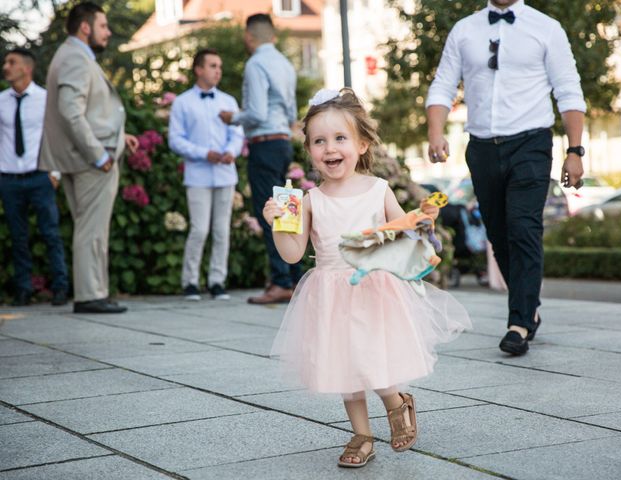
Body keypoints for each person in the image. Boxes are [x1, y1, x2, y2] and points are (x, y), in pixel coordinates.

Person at [267, 88, 471, 468]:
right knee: (345, 365)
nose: (330, 148)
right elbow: (292, 254)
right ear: (309, 149)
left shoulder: (378, 189)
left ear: (362, 144)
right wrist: (279, 224)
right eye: (319, 141)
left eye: (340, 138)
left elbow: (401, 231)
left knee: (372, 357)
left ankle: (396, 400)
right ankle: (361, 434)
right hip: (330, 292)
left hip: (374, 288)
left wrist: (421, 220)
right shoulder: (309, 200)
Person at [426, 0, 586, 355]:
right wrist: (435, 132)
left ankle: (518, 324)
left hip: (531, 142)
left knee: (523, 226)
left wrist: (575, 151)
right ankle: (529, 307)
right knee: (498, 234)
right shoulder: (465, 30)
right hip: (482, 146)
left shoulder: (547, 28)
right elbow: (442, 86)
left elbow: (569, 91)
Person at [39, 2, 139, 314]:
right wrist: (99, 155)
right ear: (85, 26)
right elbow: (70, 113)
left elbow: (86, 113)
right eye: (103, 26)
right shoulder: (75, 57)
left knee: (91, 228)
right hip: (88, 160)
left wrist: (119, 137)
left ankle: (94, 291)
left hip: (82, 156)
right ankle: (89, 294)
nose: (108, 32)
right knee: (91, 230)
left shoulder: (72, 55)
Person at [219, 13, 301, 305]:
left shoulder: (256, 64)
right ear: (273, 36)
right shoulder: (285, 63)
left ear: (249, 37)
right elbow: (291, 113)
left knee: (270, 213)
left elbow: (256, 113)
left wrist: (232, 118)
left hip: (264, 144)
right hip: (282, 143)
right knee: (288, 213)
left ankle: (280, 282)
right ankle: (294, 279)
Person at [168, 49, 244, 301]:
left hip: (225, 173)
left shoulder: (229, 101)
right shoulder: (182, 102)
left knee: (222, 230)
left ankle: (216, 281)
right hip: (198, 174)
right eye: (212, 65)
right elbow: (175, 139)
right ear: (199, 69)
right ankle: (190, 282)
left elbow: (237, 133)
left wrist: (231, 151)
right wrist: (203, 153)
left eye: (219, 66)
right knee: (199, 229)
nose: (218, 70)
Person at [0, 48, 68, 307]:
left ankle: (60, 287)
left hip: (40, 175)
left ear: (26, 68)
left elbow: (57, 135)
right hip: (9, 179)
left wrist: (56, 172)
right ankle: (23, 290)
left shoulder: (45, 99)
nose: (6, 66)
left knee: (51, 233)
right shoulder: (1, 101)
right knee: (18, 237)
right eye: (6, 61)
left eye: (12, 62)